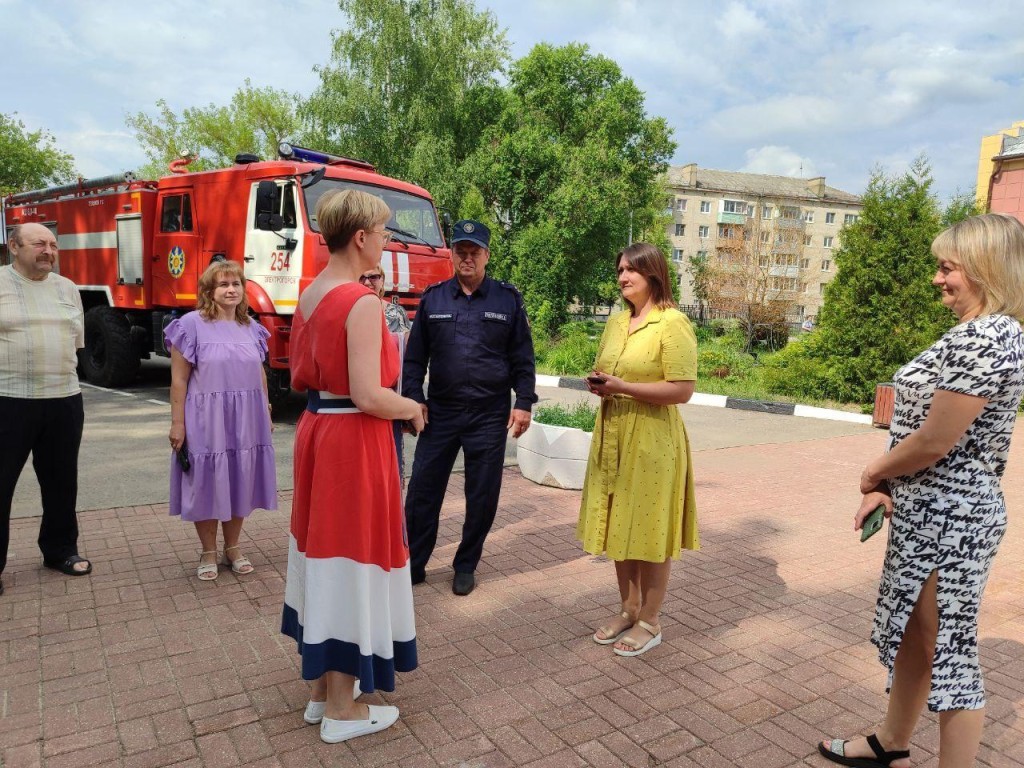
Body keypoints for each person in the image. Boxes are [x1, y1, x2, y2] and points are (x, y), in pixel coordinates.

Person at [818, 214, 1024, 768]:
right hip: (930, 511)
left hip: (952, 519)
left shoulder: (989, 336)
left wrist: (873, 472)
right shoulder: (978, 332)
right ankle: (892, 741)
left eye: (947, 267)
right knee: (916, 634)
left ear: (985, 270)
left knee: (949, 653)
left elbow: (935, 439)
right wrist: (889, 483)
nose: (937, 278)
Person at [281, 189, 424, 745]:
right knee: (351, 557)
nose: (388, 242)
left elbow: (311, 380)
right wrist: (411, 407)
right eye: (385, 233)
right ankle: (343, 708)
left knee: (323, 552)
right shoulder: (359, 302)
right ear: (361, 237)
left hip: (320, 431)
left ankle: (322, 692)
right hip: (352, 440)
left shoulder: (313, 293)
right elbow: (369, 394)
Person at [402, 219, 537, 596]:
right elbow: (414, 361)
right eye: (460, 250)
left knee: (481, 495)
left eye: (474, 251)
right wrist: (415, 399)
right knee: (424, 491)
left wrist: (523, 401)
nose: (467, 257)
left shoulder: (506, 299)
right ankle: (414, 564)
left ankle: (466, 564)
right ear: (451, 254)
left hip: (488, 415)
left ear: (486, 256)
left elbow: (523, 358)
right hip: (440, 414)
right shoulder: (434, 299)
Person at [577, 242, 698, 657]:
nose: (624, 276)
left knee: (649, 529)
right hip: (612, 433)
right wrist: (600, 382)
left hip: (652, 440)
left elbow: (682, 390)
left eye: (633, 270)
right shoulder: (615, 322)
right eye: (621, 269)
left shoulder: (672, 323)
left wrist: (623, 387)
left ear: (654, 275)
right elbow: (610, 370)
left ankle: (650, 620)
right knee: (617, 524)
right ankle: (628, 610)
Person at [165, 260, 277, 581]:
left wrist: (265, 410)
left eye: (236, 284)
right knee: (206, 480)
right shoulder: (189, 325)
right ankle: (207, 550)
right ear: (209, 292)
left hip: (246, 417)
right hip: (205, 418)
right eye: (223, 285)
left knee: (240, 477)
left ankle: (233, 547)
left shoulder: (252, 328)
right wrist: (177, 423)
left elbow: (259, 373)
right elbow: (178, 381)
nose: (231, 290)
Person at [0, 223, 91, 595]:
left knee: (60, 482)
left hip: (63, 399)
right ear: (14, 246)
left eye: (53, 244)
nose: (48, 250)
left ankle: (59, 551)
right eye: (39, 243)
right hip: (7, 400)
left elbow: (76, 344)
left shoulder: (67, 289)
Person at [358, 264, 411, 479]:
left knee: (392, 462)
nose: (368, 282)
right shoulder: (351, 311)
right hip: (361, 397)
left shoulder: (395, 312)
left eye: (374, 277)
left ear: (383, 281)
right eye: (362, 277)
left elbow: (408, 357)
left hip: (390, 397)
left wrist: (408, 401)